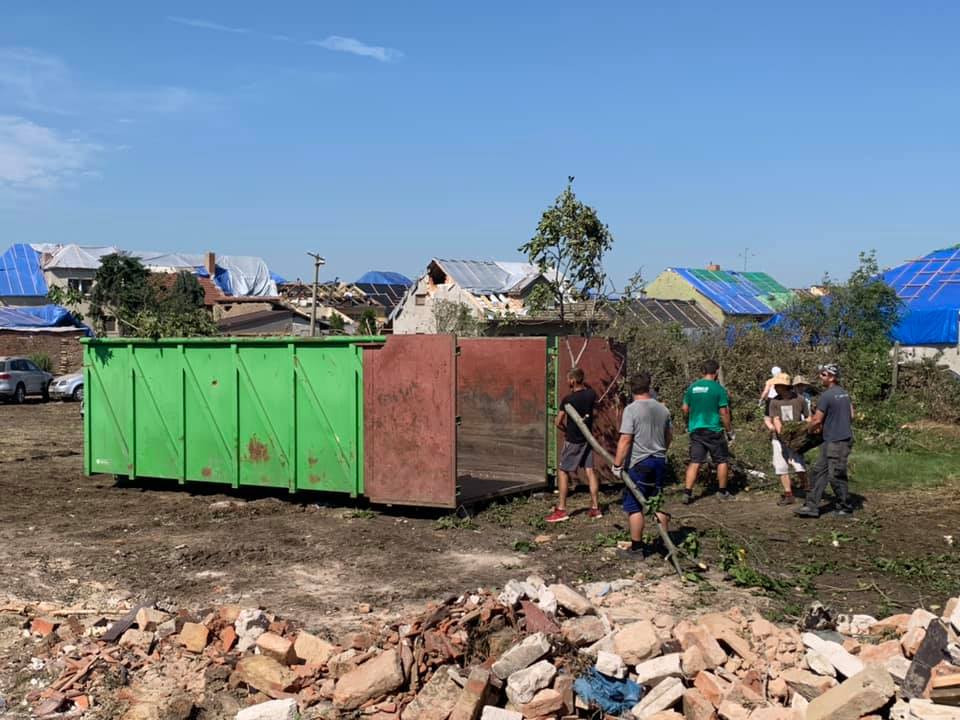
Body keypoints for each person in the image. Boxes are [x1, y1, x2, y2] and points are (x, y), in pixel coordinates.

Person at [612, 373, 672, 556]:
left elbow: (625, 439)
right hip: (659, 460)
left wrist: (617, 465)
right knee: (657, 501)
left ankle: (637, 548)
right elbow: (669, 436)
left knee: (634, 506)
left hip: (640, 462)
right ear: (648, 386)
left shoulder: (631, 410)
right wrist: (661, 450)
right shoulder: (663, 409)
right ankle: (665, 543)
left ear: (631, 388)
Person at [794, 363, 855, 518]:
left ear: (832, 377)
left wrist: (807, 431)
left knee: (836, 475)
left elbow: (816, 420)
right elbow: (852, 416)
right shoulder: (844, 394)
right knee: (818, 472)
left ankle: (845, 507)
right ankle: (811, 506)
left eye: (823, 374)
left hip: (837, 441)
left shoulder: (826, 396)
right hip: (833, 439)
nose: (820, 377)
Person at [546, 367, 601, 522]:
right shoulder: (591, 394)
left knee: (563, 471)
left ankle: (561, 510)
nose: (567, 381)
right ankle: (595, 508)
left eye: (568, 379)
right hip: (587, 439)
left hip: (574, 440)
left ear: (573, 380)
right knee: (590, 471)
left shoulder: (568, 400)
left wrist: (566, 430)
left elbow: (558, 422)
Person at [682, 359, 734, 504]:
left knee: (695, 461)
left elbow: (685, 408)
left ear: (702, 371)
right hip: (713, 429)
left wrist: (691, 420)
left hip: (696, 429)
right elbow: (724, 412)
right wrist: (729, 430)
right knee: (722, 460)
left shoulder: (692, 388)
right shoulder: (718, 389)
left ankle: (687, 492)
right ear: (716, 371)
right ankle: (722, 492)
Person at [767, 372, 808, 505]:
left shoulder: (800, 400)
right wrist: (783, 436)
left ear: (785, 386)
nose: (776, 387)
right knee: (781, 466)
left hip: (796, 437)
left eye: (778, 385)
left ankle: (808, 488)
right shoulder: (774, 401)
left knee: (798, 464)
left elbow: (808, 418)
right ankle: (788, 494)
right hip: (779, 438)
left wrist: (804, 432)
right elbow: (776, 420)